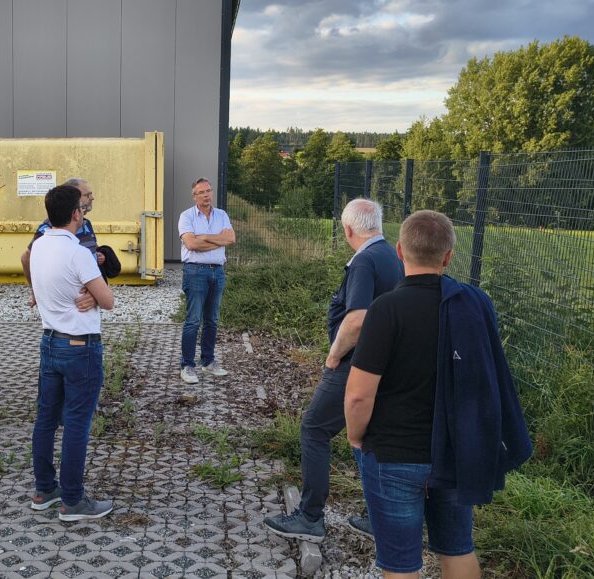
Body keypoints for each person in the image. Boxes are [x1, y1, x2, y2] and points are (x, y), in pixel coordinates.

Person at [344, 210, 532, 579]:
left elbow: (357, 396)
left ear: (399, 251)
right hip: (456, 450)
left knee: (401, 564)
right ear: (449, 256)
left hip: (393, 456)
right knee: (458, 548)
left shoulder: (386, 309)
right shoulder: (475, 303)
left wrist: (355, 437)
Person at [264, 199, 403, 543]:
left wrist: (333, 355)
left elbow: (357, 319)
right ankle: (380, 517)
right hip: (386, 365)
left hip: (355, 365)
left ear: (348, 229)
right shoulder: (391, 257)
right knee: (371, 436)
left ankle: (311, 518)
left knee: (314, 428)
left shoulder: (364, 261)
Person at [29, 184, 116, 521]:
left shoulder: (38, 247)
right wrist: (96, 294)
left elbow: (51, 284)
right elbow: (107, 300)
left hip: (49, 341)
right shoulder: (79, 251)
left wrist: (88, 294)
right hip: (81, 347)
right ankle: (73, 501)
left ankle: (44, 490)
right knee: (77, 424)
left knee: (46, 420)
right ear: (76, 213)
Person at [177, 178, 235, 384]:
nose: (206, 195)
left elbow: (231, 239)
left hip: (217, 272)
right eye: (201, 192)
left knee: (212, 320)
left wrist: (205, 237)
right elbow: (191, 243)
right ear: (194, 196)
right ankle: (187, 366)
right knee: (193, 320)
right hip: (195, 272)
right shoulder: (186, 216)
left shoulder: (222, 215)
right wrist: (216, 239)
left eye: (208, 191)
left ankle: (208, 362)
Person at [21, 178, 104, 307]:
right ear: (74, 198)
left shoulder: (87, 224)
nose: (92, 198)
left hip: (88, 299)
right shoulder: (49, 228)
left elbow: (90, 253)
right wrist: (35, 290)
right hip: (69, 303)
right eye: (87, 195)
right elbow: (27, 257)